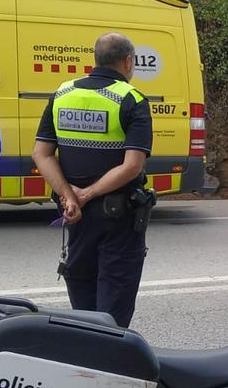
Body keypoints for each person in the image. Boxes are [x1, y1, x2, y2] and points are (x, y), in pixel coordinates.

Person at [32, 32, 154, 328]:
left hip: (77, 220)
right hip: (118, 223)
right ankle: (107, 368)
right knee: (112, 319)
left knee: (83, 316)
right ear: (128, 62)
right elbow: (132, 166)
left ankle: (85, 366)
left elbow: (42, 154)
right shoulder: (132, 99)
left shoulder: (62, 94)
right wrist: (85, 194)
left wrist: (69, 197)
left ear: (96, 59)